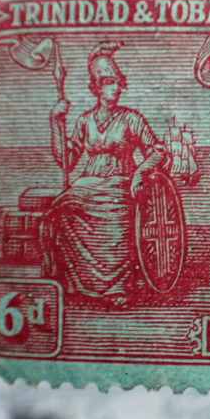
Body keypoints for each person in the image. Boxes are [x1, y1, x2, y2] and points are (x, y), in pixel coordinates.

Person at [40, 41, 167, 302]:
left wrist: (140, 172)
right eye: (109, 82)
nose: (116, 88)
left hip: (119, 185)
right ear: (96, 88)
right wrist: (55, 123)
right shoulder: (84, 121)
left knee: (115, 222)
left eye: (118, 82)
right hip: (86, 186)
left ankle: (115, 287)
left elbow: (158, 151)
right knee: (58, 212)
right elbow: (66, 161)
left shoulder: (132, 119)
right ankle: (76, 283)